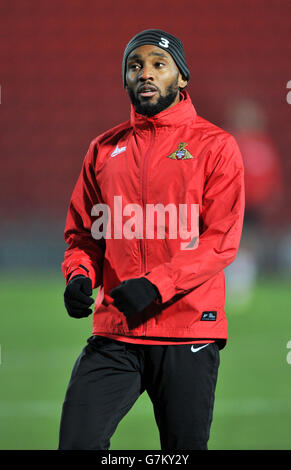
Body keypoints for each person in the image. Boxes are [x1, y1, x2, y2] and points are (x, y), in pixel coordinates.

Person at [58, 29, 245, 450]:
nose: (146, 73)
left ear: (181, 79)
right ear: (125, 79)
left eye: (159, 65)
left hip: (188, 333)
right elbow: (83, 234)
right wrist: (79, 276)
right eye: (135, 65)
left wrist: (155, 286)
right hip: (115, 333)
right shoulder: (102, 150)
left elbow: (220, 240)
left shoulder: (216, 146)